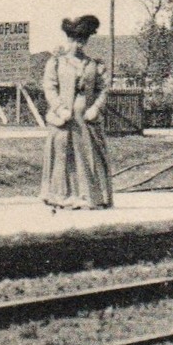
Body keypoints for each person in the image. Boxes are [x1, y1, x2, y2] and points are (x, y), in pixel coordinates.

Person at [40, 14, 112, 210]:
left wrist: (96, 108)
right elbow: (49, 87)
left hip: (86, 119)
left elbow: (103, 89)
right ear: (67, 39)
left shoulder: (94, 65)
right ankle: (61, 196)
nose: (77, 45)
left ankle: (89, 197)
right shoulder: (56, 63)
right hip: (63, 119)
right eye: (74, 40)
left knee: (88, 155)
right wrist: (59, 108)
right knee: (63, 155)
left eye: (82, 40)